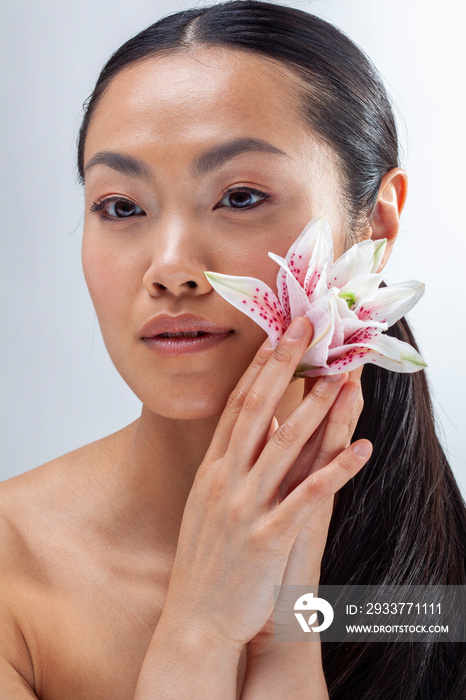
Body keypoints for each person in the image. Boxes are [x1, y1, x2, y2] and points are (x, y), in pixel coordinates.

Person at [1, 1, 464, 698]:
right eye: (122, 207)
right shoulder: (13, 570)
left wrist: (287, 642)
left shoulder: (426, 582)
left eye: (240, 196)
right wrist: (199, 635)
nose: (172, 268)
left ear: (376, 221)